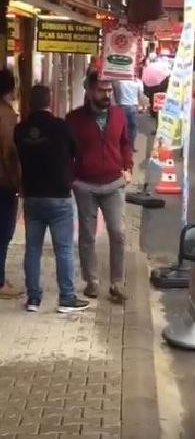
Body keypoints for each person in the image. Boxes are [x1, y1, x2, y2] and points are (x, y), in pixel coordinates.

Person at [14, 85, 89, 313]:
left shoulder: (20, 130)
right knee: (64, 249)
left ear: (29, 103)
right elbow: (77, 153)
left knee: (32, 249)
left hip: (32, 196)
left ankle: (33, 299)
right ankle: (66, 298)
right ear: (51, 101)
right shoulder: (61, 127)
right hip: (59, 196)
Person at [66, 72, 133, 303]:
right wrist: (71, 178)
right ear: (89, 90)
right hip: (85, 184)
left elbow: (125, 142)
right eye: (102, 90)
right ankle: (92, 281)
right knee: (87, 235)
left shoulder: (119, 114)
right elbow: (66, 152)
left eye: (110, 90)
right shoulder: (73, 119)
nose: (107, 94)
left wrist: (128, 166)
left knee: (118, 232)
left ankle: (117, 282)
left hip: (114, 183)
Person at [0, 69, 21, 299]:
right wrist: (17, 182)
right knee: (3, 232)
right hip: (2, 183)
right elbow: (9, 153)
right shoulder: (7, 116)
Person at [113, 77, 145, 151]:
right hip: (133, 106)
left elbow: (115, 92)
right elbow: (140, 95)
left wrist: (117, 102)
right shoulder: (138, 82)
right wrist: (143, 106)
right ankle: (130, 146)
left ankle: (121, 146)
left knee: (121, 127)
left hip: (121, 106)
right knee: (133, 128)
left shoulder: (119, 80)